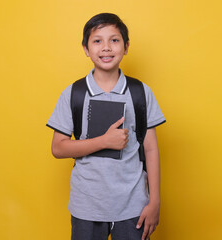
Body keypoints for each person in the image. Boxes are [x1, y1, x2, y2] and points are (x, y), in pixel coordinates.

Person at [46, 13, 165, 240]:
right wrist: (104, 141)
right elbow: (58, 148)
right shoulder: (74, 94)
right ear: (86, 48)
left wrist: (155, 201)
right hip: (87, 206)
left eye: (114, 40)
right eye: (97, 41)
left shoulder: (140, 92)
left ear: (126, 46)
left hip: (133, 206)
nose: (106, 48)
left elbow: (150, 148)